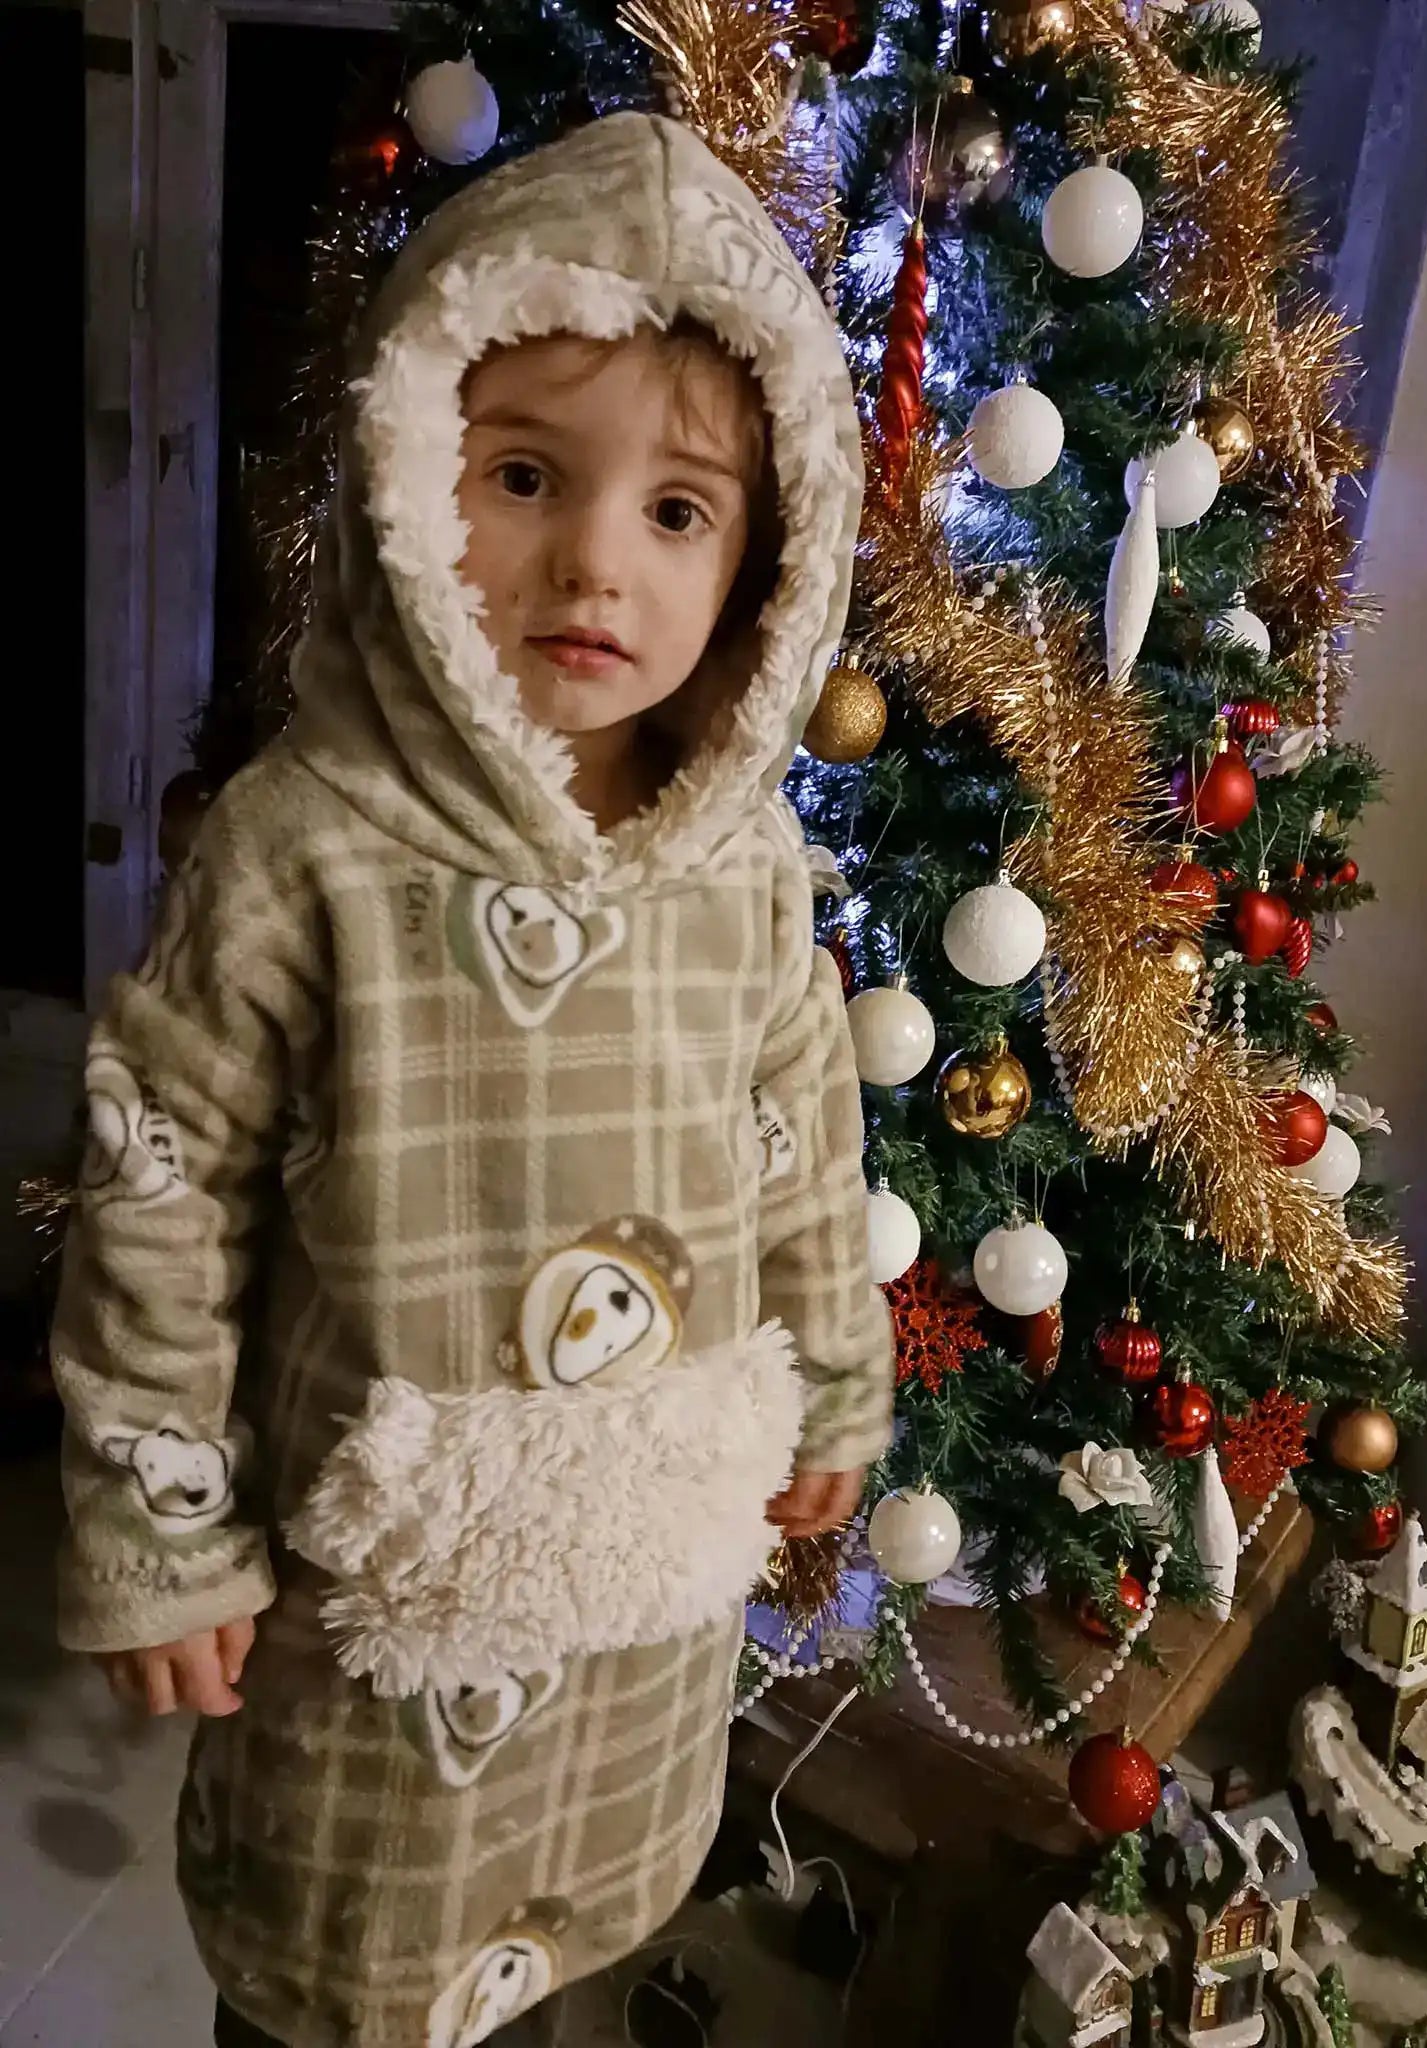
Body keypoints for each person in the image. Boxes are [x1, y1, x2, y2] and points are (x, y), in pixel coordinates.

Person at [50, 112, 892, 2048]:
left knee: (583, 1922)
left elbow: (800, 1138)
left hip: (649, 1580)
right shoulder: (303, 842)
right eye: (526, 475)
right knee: (342, 1976)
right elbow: (159, 1179)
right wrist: (162, 1524)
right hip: (374, 1589)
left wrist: (833, 1367)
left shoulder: (744, 857)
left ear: (768, 567)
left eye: (680, 510)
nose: (599, 556)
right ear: (410, 487)